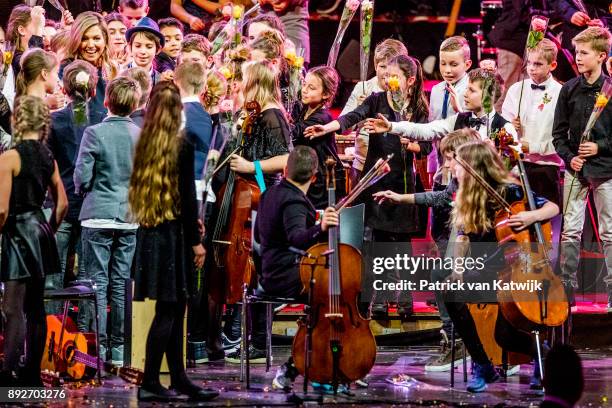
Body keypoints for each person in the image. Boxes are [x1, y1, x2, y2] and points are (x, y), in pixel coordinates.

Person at [305, 55, 432, 317]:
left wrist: (410, 144)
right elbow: (352, 116)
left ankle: (405, 296)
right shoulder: (376, 100)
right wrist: (327, 128)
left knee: (402, 242)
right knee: (378, 241)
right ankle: (382, 297)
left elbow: (427, 146)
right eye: (385, 75)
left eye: (393, 75)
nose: (387, 79)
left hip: (403, 183)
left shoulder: (418, 107)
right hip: (378, 179)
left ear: (409, 80)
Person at [444, 141, 559, 393]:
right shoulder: (465, 196)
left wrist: (531, 216)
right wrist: (458, 269)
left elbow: (552, 207)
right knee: (450, 291)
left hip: (514, 269)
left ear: (474, 166)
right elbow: (463, 237)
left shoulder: (508, 190)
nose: (452, 168)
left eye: (457, 163)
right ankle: (483, 365)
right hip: (486, 271)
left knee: (504, 337)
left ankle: (544, 356)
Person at [130, 81, 218, 402]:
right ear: (177, 110)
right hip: (172, 237)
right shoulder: (180, 145)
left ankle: (178, 378)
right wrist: (196, 241)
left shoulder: (145, 143)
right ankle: (152, 380)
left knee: (172, 307)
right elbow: (186, 199)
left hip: (153, 233)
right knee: (169, 310)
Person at [373, 128, 480, 372]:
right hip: (465, 252)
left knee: (440, 274)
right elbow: (440, 197)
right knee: (440, 273)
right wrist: (400, 198)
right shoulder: (457, 183)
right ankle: (453, 337)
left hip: (485, 257)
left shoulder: (480, 186)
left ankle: (457, 339)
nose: (446, 165)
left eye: (451, 159)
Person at [255, 145, 339, 390]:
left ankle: (315, 365)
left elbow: (264, 236)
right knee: (329, 300)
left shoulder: (270, 193)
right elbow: (296, 238)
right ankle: (298, 366)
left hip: (269, 271)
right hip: (286, 276)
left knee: (327, 298)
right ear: (314, 178)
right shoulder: (294, 201)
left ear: (285, 169)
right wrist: (320, 228)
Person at [0, 96, 68, 385]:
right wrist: (47, 230)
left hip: (16, 233)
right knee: (36, 307)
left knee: (12, 307)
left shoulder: (9, 157)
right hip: (40, 231)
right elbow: (62, 203)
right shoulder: (47, 156)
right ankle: (32, 377)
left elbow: (1, 208)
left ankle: (6, 375)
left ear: (16, 121)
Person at [74, 77, 141, 365]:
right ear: (135, 104)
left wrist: (86, 189)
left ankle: (97, 350)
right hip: (128, 216)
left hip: (97, 216)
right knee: (121, 283)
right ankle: (118, 350)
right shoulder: (141, 135)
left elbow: (82, 176)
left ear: (106, 102)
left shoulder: (94, 132)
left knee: (97, 283)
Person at [552, 27, 612, 306]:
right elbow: (558, 134)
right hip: (576, 170)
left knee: (609, 231)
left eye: (584, 53)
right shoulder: (569, 89)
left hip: (605, 170)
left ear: (601, 56)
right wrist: (569, 157)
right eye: (576, 52)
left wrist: (601, 146)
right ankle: (567, 289)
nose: (578, 57)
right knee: (570, 231)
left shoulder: (611, 90)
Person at [45, 60, 98, 313]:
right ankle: (88, 338)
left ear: (64, 89)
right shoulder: (101, 121)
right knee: (88, 280)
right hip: (90, 207)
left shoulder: (53, 121)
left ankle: (49, 342)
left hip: (60, 204)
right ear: (95, 90)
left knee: (52, 276)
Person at [363, 69, 518, 145]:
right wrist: (391, 126)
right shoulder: (459, 119)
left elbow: (515, 170)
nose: (465, 94)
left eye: (471, 90)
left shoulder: (505, 128)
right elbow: (424, 130)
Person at [502, 38, 563, 207]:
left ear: (552, 66)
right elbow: (503, 127)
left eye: (538, 64)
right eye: (529, 62)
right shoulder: (516, 89)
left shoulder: (561, 93)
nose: (531, 68)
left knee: (546, 223)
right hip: (518, 165)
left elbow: (564, 137)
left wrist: (534, 147)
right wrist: (509, 128)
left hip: (547, 167)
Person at [340, 39, 408, 188]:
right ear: (375, 66)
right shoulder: (363, 88)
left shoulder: (407, 91)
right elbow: (344, 129)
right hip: (363, 165)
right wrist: (359, 109)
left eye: (392, 67)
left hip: (396, 166)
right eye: (382, 66)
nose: (386, 73)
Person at [291, 65, 345, 209]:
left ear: (326, 94)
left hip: (325, 179)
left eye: (312, 88)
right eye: (304, 84)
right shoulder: (303, 109)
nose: (305, 90)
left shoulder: (322, 117)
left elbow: (295, 132)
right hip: (312, 174)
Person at [428, 36, 471, 187]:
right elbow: (432, 127)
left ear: (467, 64)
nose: (447, 70)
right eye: (443, 63)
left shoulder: (472, 89)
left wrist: (459, 110)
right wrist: (431, 166)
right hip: (441, 161)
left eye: (453, 64)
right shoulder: (436, 90)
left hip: (464, 162)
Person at [63, 11, 118, 124]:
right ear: (76, 40)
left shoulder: (112, 69)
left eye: (96, 38)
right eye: (84, 39)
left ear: (105, 40)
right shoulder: (66, 70)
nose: (91, 45)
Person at [175, 61, 213, 181]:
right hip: (202, 185)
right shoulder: (208, 117)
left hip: (179, 182)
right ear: (203, 88)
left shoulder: (176, 113)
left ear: (175, 83)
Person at [126, 17, 165, 87]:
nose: (143, 51)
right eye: (138, 46)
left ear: (158, 49)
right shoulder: (120, 75)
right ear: (130, 47)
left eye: (149, 47)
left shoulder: (161, 81)